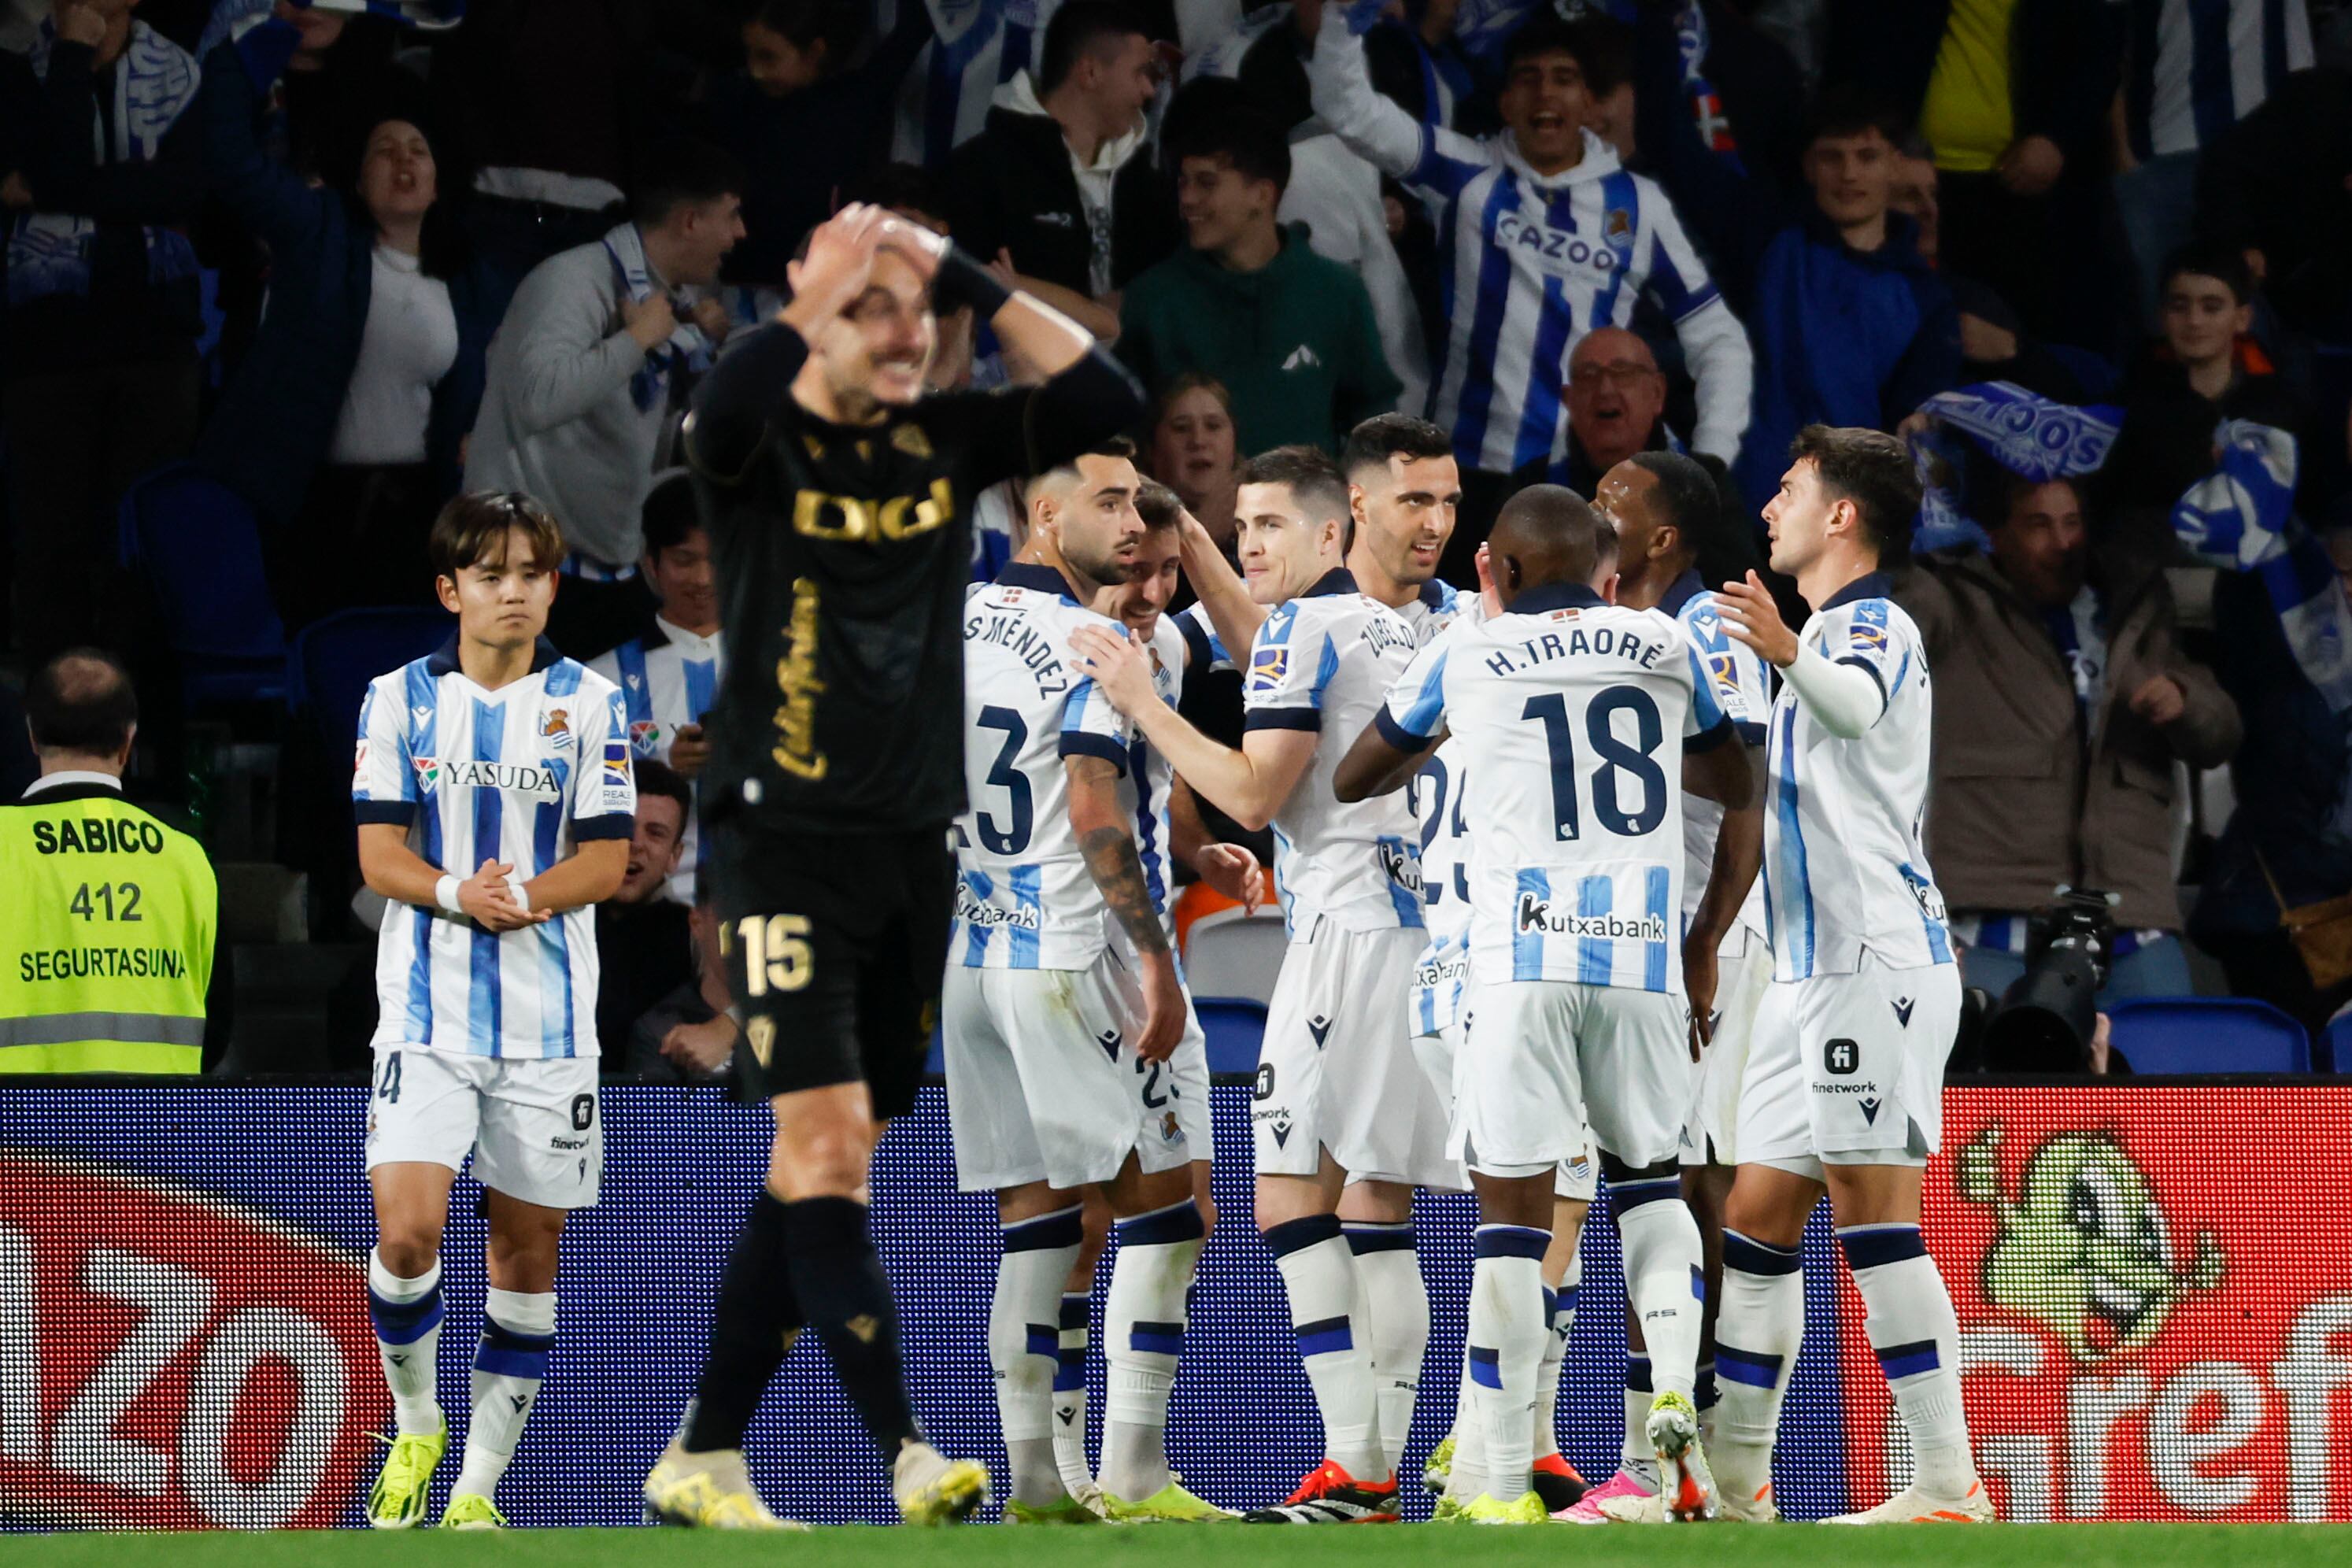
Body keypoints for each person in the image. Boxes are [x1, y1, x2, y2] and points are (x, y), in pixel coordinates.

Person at [639, 203, 1144, 1528]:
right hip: (777, 843)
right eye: (872, 312)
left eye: (917, 318)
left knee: (815, 1155)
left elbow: (1105, 388)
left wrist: (957, 266)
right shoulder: (761, 441)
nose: (903, 332)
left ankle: (703, 1448)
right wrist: (833, 282)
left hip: (909, 849)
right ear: (815, 315)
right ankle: (909, 1448)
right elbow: (727, 399)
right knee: (827, 1143)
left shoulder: (947, 437)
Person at [1068, 446, 1452, 1525]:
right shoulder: (1395, 625)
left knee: (1288, 1200)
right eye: (1241, 528)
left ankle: (1358, 1469)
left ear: (1336, 535)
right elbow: (1278, 657)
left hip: (1345, 941)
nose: (1252, 546)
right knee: (1378, 1204)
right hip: (1418, 933)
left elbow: (1247, 791)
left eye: (1272, 526)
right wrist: (1191, 542)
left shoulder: (1308, 630)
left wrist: (1143, 699)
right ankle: (1372, 1472)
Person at [1706, 425, 1991, 1524]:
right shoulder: (1825, 631)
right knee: (1762, 1211)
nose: (1769, 506)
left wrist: (1784, 650)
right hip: (1808, 972)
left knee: (1875, 1216)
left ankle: (1945, 1482)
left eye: (1789, 489)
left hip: (1872, 962)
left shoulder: (1871, 623)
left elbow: (1857, 705)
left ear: (1840, 516)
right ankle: (1738, 1490)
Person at [948, 442, 1225, 1524]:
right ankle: (1135, 1468)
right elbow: (1096, 807)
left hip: (977, 953)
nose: (1126, 524)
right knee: (1166, 1210)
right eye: (1106, 502)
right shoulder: (1097, 643)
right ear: (1042, 514)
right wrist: (1157, 959)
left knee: (1041, 1224)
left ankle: (1034, 1483)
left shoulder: (956, 622)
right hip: (1076, 956)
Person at [349, 491, 634, 1530]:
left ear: (554, 585)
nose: (513, 591)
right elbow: (379, 854)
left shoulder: (590, 703)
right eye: (491, 574)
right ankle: (417, 1420)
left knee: (527, 1248)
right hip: (425, 1013)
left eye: (531, 574)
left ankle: (475, 1490)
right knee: (411, 1231)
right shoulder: (395, 701)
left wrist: (524, 899)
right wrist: (455, 893)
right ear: (450, 589)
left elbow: (608, 856)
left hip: (550, 1024)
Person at [1304, 3, 1753, 576]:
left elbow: (1718, 336)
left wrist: (1710, 458)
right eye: (1528, 79)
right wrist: (1342, 25)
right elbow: (1347, 111)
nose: (1546, 93)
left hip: (1576, 478)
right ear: (1506, 102)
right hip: (1465, 474)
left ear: (1590, 104)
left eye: (1564, 79)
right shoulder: (1464, 172)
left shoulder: (1638, 203)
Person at [1553, 449, 1772, 1523]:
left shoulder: (1710, 634)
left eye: (1615, 505)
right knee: (1656, 1181)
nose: (1598, 512)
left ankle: (1679, 1456)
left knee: (1692, 1187)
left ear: (1664, 539)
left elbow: (1747, 801)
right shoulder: (1614, 631)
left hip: (1703, 940)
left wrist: (1705, 941)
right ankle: (1692, 1460)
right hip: (1634, 942)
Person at [194, 7, 508, 628]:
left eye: (418, 150)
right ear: (356, 180)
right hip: (315, 503)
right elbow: (229, 157)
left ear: (440, 180)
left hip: (418, 505)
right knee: (323, 671)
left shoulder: (469, 277)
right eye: (383, 150)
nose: (404, 161)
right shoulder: (317, 234)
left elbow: (491, 382)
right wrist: (260, 38)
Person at [1897, 468, 2240, 1003]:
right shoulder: (1952, 600)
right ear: (1997, 535)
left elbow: (2222, 732)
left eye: (2072, 522)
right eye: (2039, 524)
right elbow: (1885, 610)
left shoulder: (2134, 610)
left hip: (2132, 922)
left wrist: (2183, 700)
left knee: (2168, 1081)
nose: (2062, 542)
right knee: (1990, 1088)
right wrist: (1912, 495)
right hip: (1992, 918)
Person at [465, 139, 747, 660]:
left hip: (607, 571)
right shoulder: (573, 281)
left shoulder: (670, 303)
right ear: (689, 221)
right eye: (730, 215)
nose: (739, 233)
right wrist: (636, 341)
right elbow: (537, 399)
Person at [2, 0, 205, 660]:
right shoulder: (20, 70)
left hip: (157, 342)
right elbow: (60, 166)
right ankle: (56, 734)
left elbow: (185, 191)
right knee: (51, 547)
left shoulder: (182, 73)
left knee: (145, 547)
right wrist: (70, 57)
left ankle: (140, 738)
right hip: (49, 344)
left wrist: (61, 186)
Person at [1116, 106, 1402, 455]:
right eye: (1183, 182)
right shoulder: (1151, 300)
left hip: (1311, 508)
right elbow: (1125, 435)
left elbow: (1373, 416)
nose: (1187, 200)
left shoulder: (1335, 293)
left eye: (1206, 183)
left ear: (1262, 195)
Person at [1733, 89, 1959, 512]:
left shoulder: (1928, 298)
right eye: (1832, 157)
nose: (1849, 174)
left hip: (1848, 514)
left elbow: (1915, 417)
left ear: (1895, 165)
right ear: (1809, 167)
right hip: (1751, 500)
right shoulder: (1771, 244)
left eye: (1867, 157)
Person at [0, 649, 221, 1074]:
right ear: (128, 739)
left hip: (20, 1131)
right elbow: (217, 1021)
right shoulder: (184, 858)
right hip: (155, 1129)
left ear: (32, 735)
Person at [945, 0, 1174, 314]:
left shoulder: (1147, 184)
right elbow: (966, 298)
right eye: (1139, 74)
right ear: (1090, 73)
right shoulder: (980, 172)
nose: (1150, 90)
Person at [702, 0, 934, 291]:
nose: (755, 71)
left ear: (814, 53)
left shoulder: (852, 104)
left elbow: (913, 30)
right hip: (734, 282)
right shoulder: (734, 102)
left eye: (768, 58)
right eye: (749, 55)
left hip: (813, 288)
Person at [2113, 0, 2314, 328]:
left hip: (2271, 160)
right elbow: (2108, 42)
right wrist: (2123, 158)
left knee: (2267, 319)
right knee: (2170, 321)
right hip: (2166, 156)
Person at [588, 472, 723, 906]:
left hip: (763, 911)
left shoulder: (787, 669)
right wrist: (666, 768)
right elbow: (580, 798)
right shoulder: (600, 681)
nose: (703, 578)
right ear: (651, 564)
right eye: (685, 560)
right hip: (645, 914)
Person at [592, 757, 697, 1057]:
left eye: (655, 833)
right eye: (624, 826)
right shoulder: (554, 922)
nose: (635, 844)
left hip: (656, 1100)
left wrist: (725, 1028)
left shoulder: (694, 937)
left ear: (675, 856)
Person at [1149, 372, 1241, 554]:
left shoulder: (1269, 523)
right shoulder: (1134, 531)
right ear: (1153, 452)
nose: (1198, 440)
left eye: (1213, 426)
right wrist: (1205, 533)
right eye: (1181, 428)